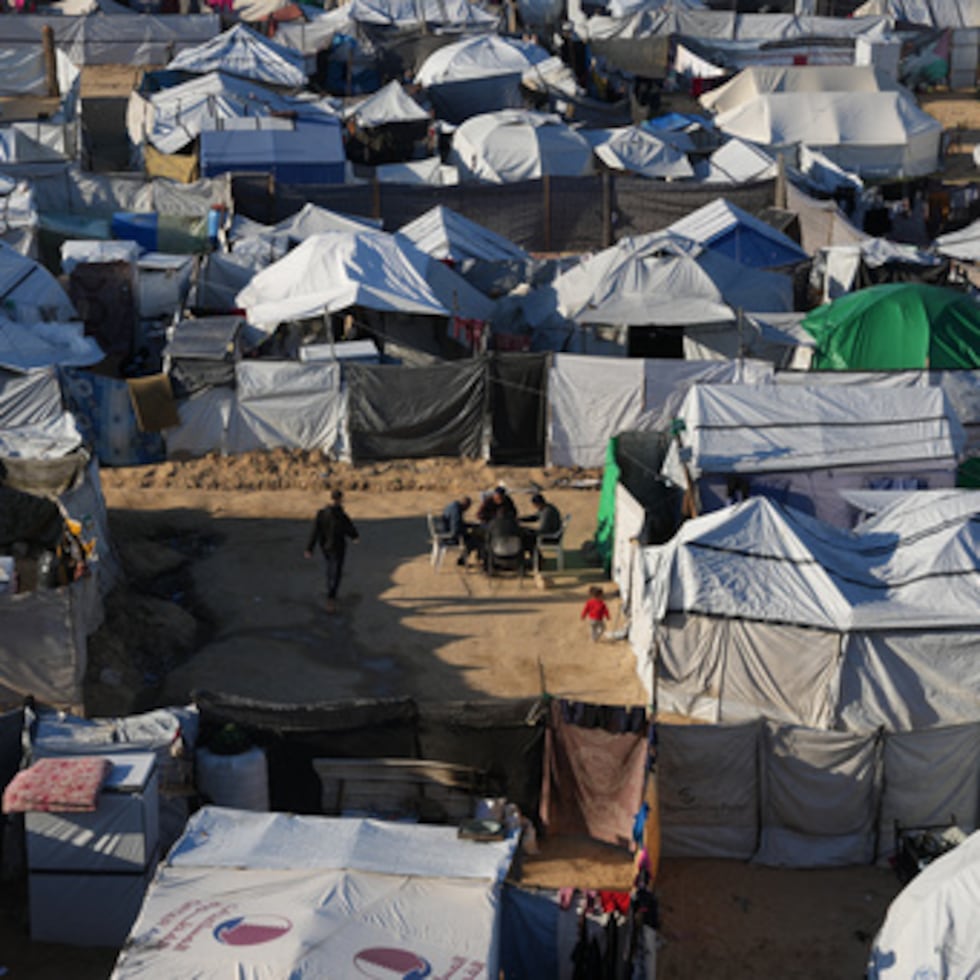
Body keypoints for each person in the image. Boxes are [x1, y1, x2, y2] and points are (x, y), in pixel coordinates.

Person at [304, 489, 359, 612]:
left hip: (325, 547)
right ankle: (331, 596)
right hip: (338, 547)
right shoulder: (340, 515)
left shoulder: (321, 514)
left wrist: (309, 548)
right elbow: (348, 527)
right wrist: (355, 536)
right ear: (339, 499)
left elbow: (315, 531)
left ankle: (330, 592)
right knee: (337, 571)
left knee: (330, 568)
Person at [520, 492, 562, 563]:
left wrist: (530, 531)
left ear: (538, 504)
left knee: (527, 539)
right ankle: (538, 559)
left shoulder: (547, 512)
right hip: (550, 533)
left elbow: (543, 530)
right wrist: (520, 519)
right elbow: (535, 517)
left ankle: (537, 561)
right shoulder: (546, 508)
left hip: (551, 537)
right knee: (527, 534)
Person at [441, 495, 475, 566]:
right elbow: (456, 529)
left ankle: (462, 559)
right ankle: (462, 560)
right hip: (449, 536)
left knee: (470, 537)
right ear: (466, 505)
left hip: (445, 531)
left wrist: (468, 525)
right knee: (473, 541)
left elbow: (458, 523)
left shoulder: (453, 506)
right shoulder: (456, 511)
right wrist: (466, 531)